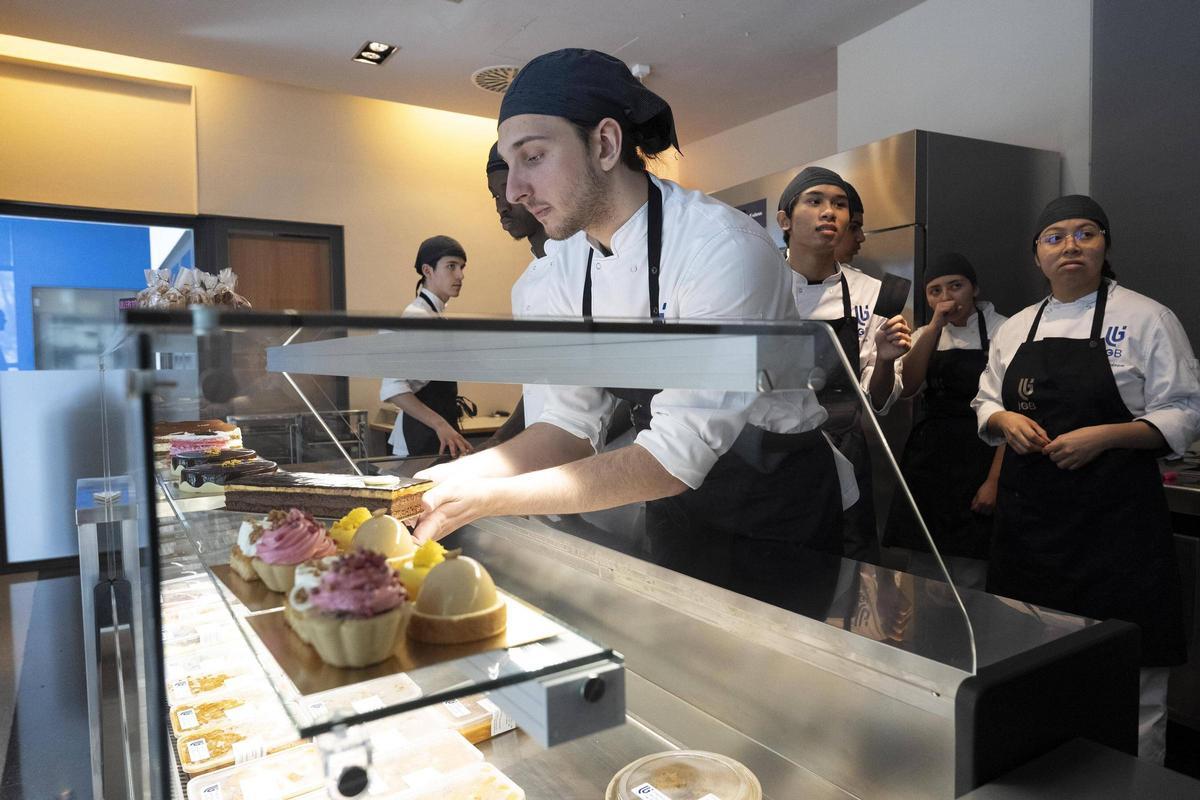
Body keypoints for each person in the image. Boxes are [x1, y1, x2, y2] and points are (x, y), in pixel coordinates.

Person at [412, 48, 857, 614]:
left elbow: (676, 456)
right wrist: (447, 479)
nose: (515, 189)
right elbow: (567, 425)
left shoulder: (721, 249)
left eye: (534, 157)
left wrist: (484, 498)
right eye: (509, 163)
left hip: (773, 506)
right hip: (671, 501)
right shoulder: (556, 273)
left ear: (604, 144)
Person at [972, 195, 1200, 763]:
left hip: (1116, 528)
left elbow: (1185, 411)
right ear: (1038, 256)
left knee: (1133, 675)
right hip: (1030, 530)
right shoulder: (1018, 327)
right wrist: (1004, 419)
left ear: (1104, 246)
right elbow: (984, 400)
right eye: (1055, 237)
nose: (1070, 245)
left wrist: (1107, 435)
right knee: (1031, 663)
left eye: (1084, 234)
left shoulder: (1148, 317)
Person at [779, 168, 911, 563]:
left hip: (846, 442)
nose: (829, 212)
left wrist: (887, 362)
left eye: (839, 205)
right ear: (785, 220)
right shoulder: (756, 284)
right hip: (774, 443)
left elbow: (878, 401)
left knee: (850, 559)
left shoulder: (874, 293)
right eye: (815, 201)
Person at [884, 253, 1008, 588]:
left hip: (980, 455)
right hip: (930, 459)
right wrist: (934, 328)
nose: (946, 297)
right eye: (935, 291)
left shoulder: (1004, 330)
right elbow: (908, 387)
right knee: (922, 566)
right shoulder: (925, 332)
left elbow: (1013, 413)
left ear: (975, 288)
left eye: (956, 286)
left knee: (973, 568)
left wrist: (995, 481)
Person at [380, 235, 474, 458]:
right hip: (422, 436)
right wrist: (440, 425)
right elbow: (393, 389)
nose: (460, 275)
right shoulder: (418, 317)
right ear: (427, 270)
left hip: (434, 432)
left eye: (461, 267)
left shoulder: (436, 314)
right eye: (451, 266)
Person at [484, 142, 551, 446]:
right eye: (495, 195)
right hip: (544, 451)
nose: (502, 204)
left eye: (508, 190)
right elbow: (538, 387)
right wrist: (498, 442)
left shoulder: (588, 263)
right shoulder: (523, 286)